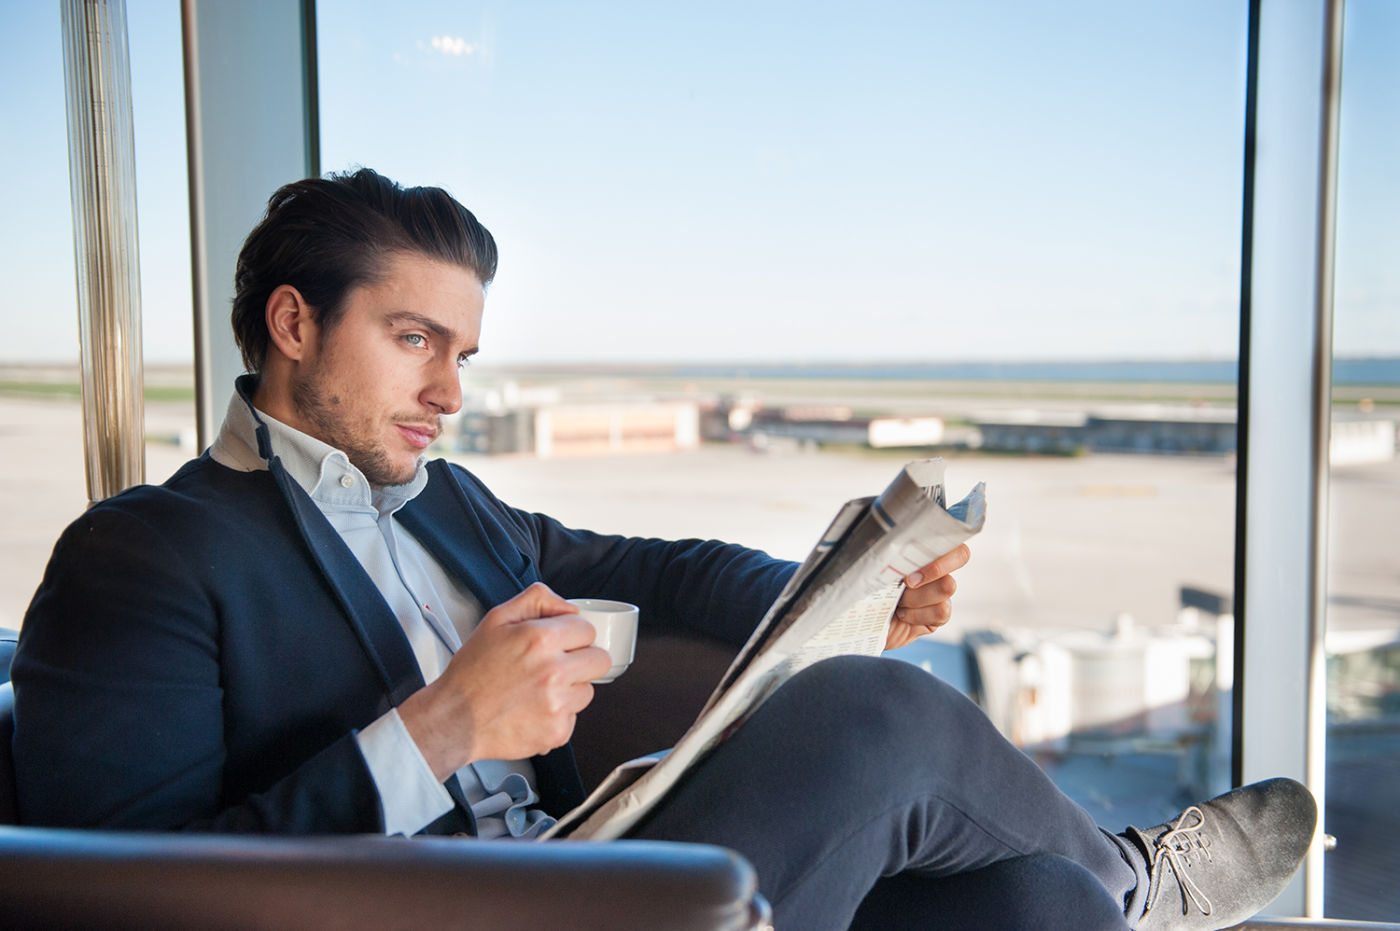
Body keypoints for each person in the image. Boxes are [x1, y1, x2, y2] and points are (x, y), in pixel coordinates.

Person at [13, 169, 1316, 930]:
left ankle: (1105, 889)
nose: (450, 390)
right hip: (446, 915)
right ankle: (1145, 882)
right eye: (414, 340)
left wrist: (844, 601)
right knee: (873, 722)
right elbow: (123, 898)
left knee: (1033, 907)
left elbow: (668, 568)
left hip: (580, 864)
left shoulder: (453, 505)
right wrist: (442, 732)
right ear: (293, 324)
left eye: (462, 354)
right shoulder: (146, 558)